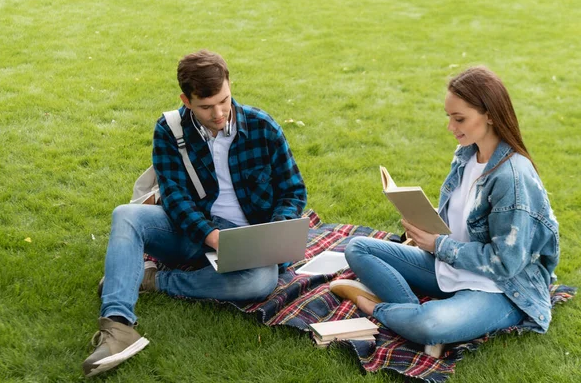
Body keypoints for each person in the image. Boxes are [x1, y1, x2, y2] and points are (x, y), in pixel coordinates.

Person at [82, 50, 307, 377]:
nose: (218, 113)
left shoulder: (263, 128)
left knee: (260, 280)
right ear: (186, 100)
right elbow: (174, 197)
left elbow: (292, 190)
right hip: (190, 232)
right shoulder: (169, 130)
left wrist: (274, 233)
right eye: (205, 106)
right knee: (126, 214)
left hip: (248, 240)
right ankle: (118, 328)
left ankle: (155, 280)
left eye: (224, 100)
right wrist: (209, 235)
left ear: (230, 87)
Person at [330, 66, 559, 358]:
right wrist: (424, 221)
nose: (451, 127)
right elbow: (463, 216)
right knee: (358, 247)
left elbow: (506, 264)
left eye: (459, 118)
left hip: (499, 288)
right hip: (451, 267)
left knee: (430, 324)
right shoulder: (466, 154)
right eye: (449, 117)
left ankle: (377, 306)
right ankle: (413, 314)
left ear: (489, 114)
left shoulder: (512, 178)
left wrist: (437, 245)